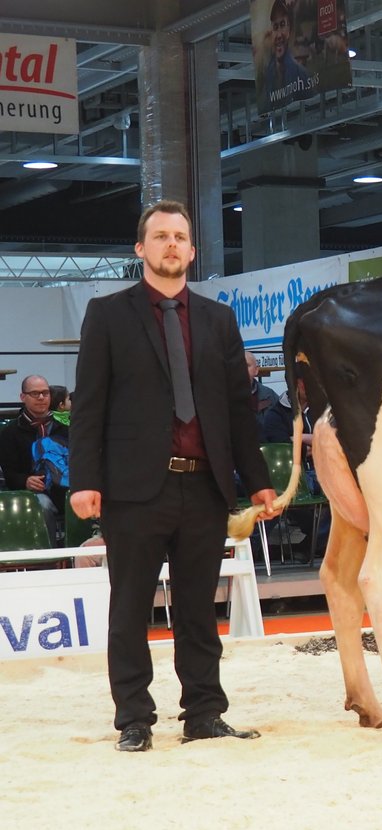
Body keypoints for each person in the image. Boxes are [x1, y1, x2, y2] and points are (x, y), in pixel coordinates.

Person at [70, 199, 280, 753]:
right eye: (159, 236)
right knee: (130, 606)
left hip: (205, 485)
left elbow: (239, 409)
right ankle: (134, 719)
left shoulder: (219, 319)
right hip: (134, 488)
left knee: (196, 609)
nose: (170, 245)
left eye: (179, 237)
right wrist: (83, 480)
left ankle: (204, 714)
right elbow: (89, 405)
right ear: (140, 248)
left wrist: (257, 479)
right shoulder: (108, 314)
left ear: (191, 249)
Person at [0, 374, 69, 544]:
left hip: (66, 488)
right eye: (35, 393)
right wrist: (26, 481)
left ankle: (84, 555)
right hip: (34, 493)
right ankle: (48, 559)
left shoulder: (66, 428)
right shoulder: (9, 433)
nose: (41, 398)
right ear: (23, 397)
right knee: (41, 506)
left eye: (45, 393)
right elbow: (9, 474)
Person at [261, 0, 312, 107]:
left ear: (289, 29)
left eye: (282, 25)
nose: (279, 35)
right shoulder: (268, 74)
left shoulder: (302, 75)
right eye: (275, 27)